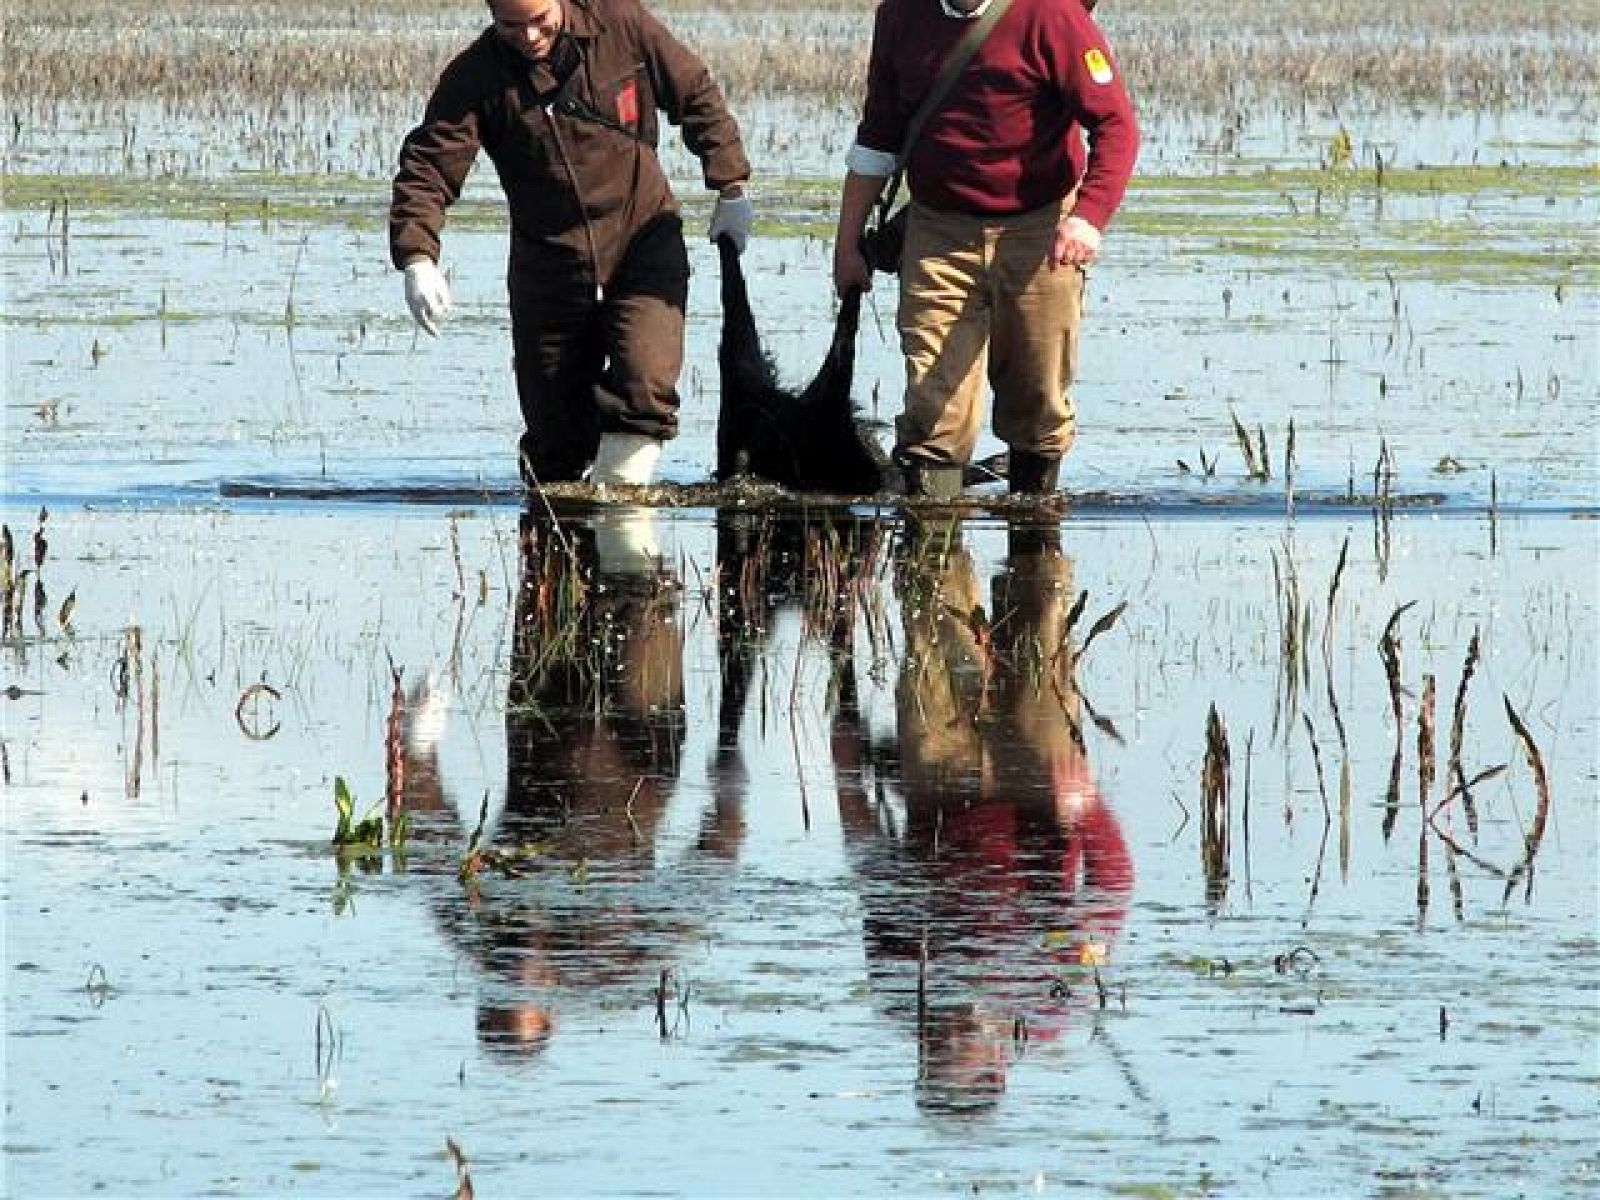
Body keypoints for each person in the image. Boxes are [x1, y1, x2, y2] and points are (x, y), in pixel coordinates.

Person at [390, 0, 754, 487]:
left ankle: (625, 549)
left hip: (642, 240)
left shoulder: (622, 26)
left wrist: (731, 186)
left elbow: (696, 95)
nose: (530, 36)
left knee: (644, 389)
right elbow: (429, 167)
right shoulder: (475, 76)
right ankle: (552, 551)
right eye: (511, 26)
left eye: (541, 21)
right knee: (555, 444)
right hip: (549, 268)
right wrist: (418, 256)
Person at [831, 0, 1139, 498]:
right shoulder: (900, 15)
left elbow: (1116, 126)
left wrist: (1087, 218)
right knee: (932, 408)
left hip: (1041, 228)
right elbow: (878, 136)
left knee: (1037, 399)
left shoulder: (1052, 15)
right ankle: (932, 558)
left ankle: (1036, 552)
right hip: (937, 230)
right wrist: (847, 245)